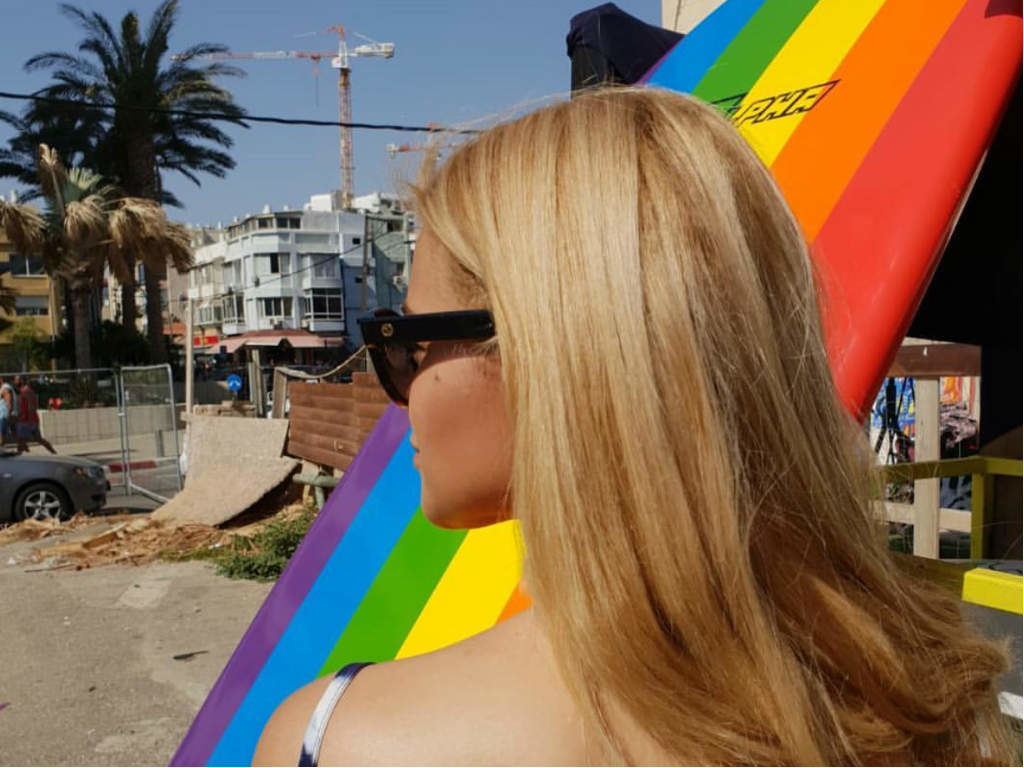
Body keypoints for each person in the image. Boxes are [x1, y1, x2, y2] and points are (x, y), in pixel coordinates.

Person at [254, 88, 1013, 765]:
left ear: (549, 355)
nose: (398, 389)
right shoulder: (937, 703)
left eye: (408, 340)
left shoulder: (337, 740)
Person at [14, 375, 56, 454]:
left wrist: (30, 420)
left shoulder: (27, 391)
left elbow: (31, 406)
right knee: (34, 439)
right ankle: (52, 452)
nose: (15, 382)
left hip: (27, 420)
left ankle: (26, 456)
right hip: (25, 419)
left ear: (22, 381)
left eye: (16, 380)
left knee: (21, 440)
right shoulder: (23, 391)